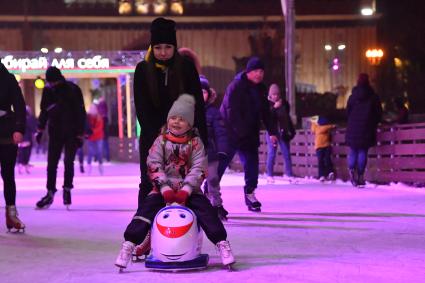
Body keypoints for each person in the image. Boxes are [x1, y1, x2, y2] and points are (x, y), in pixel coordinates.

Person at [115, 94, 235, 269]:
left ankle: (222, 243)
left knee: (206, 211)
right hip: (162, 189)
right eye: (173, 118)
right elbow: (154, 163)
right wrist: (164, 187)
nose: (176, 122)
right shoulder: (161, 141)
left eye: (182, 119)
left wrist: (187, 189)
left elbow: (199, 167)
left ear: (190, 123)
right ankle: (129, 245)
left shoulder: (195, 143)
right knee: (145, 210)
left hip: (190, 190)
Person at [133, 17, 207, 206]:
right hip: (153, 139)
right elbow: (142, 108)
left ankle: (184, 228)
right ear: (152, 48)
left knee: (186, 184)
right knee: (150, 182)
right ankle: (144, 228)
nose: (163, 52)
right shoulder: (142, 70)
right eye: (158, 48)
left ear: (174, 47)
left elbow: (197, 104)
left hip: (185, 139)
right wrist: (158, 136)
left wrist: (203, 139)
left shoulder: (186, 68)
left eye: (167, 47)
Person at [220, 57, 278, 212]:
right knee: (220, 164)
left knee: (252, 166)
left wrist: (272, 131)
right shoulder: (236, 86)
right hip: (230, 133)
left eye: (261, 71)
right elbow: (229, 111)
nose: (259, 74)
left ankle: (250, 193)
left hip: (249, 134)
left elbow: (266, 113)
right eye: (256, 71)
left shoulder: (261, 89)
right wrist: (238, 131)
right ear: (248, 72)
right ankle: (211, 192)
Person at [35, 66, 86, 209]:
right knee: (52, 163)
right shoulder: (48, 91)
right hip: (56, 132)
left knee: (68, 162)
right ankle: (51, 191)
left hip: (71, 132)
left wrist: (80, 133)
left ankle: (66, 189)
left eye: (53, 82)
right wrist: (39, 129)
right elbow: (44, 111)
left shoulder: (72, 89)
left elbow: (80, 112)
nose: (52, 85)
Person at [0, 62, 26, 231]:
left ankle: (11, 215)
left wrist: (18, 128)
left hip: (6, 132)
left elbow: (19, 105)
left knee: (8, 174)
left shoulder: (7, 79)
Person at [200, 75, 229, 221]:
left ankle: (217, 205)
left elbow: (221, 132)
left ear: (208, 94)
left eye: (204, 92)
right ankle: (196, 208)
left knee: (213, 181)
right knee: (193, 183)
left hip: (210, 154)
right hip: (192, 155)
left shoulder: (213, 112)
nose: (201, 95)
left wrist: (222, 149)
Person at [345, 73, 382, 187]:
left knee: (353, 150)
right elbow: (378, 113)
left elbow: (348, 112)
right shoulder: (373, 97)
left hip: (353, 127)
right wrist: (374, 123)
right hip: (366, 127)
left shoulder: (353, 97)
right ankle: (360, 175)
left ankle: (351, 168)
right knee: (362, 151)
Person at [265, 83, 295, 184]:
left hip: (283, 132)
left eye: (277, 94)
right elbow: (267, 118)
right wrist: (274, 108)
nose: (276, 96)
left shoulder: (284, 103)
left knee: (286, 153)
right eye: (274, 95)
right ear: (270, 95)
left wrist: (291, 131)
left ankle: (289, 174)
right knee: (271, 154)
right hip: (272, 132)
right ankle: (269, 175)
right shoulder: (267, 104)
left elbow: (287, 118)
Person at [311, 116, 336, 182]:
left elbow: (312, 121)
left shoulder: (316, 127)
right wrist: (332, 126)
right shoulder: (320, 128)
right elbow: (323, 129)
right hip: (322, 146)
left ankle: (325, 174)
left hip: (322, 146)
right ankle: (326, 173)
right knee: (324, 160)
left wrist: (314, 119)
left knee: (323, 160)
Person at [17, 106, 37, 174]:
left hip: (19, 139)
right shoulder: (30, 119)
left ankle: (21, 165)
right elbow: (33, 129)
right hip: (27, 139)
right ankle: (25, 166)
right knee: (27, 153)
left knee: (21, 153)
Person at [86, 104, 104, 175]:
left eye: (93, 108)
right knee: (90, 152)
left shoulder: (99, 117)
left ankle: (100, 166)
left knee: (99, 152)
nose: (92, 110)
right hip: (90, 137)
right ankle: (89, 167)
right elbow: (86, 125)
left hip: (99, 137)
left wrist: (92, 131)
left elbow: (100, 128)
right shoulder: (87, 117)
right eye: (91, 108)